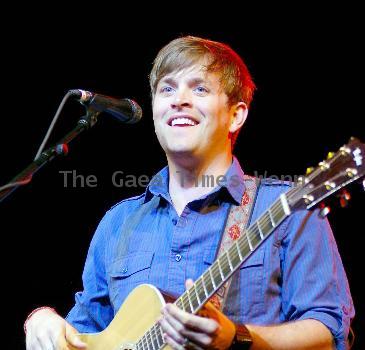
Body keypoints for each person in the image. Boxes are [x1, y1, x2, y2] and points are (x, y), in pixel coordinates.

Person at [25, 36, 354, 350]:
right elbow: (82, 336)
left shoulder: (288, 209)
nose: (178, 99)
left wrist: (236, 337)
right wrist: (41, 320)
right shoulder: (117, 222)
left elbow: (330, 334)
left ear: (236, 114)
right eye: (167, 88)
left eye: (199, 88)